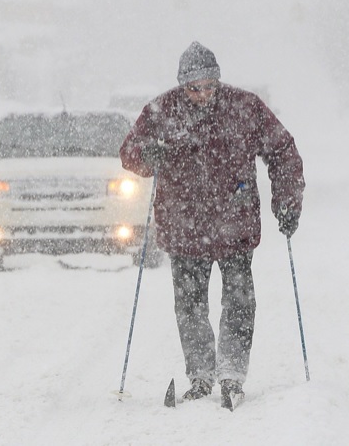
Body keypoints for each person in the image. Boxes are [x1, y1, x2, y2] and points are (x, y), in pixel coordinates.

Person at [119, 41, 305, 410]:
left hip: (235, 226)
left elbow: (282, 150)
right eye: (194, 88)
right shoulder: (162, 111)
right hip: (183, 228)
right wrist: (148, 154)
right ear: (181, 85)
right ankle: (201, 375)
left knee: (239, 303)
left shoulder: (244, 107)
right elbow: (129, 152)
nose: (203, 94)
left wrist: (286, 201)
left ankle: (232, 373)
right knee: (190, 308)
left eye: (209, 86)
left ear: (218, 81)